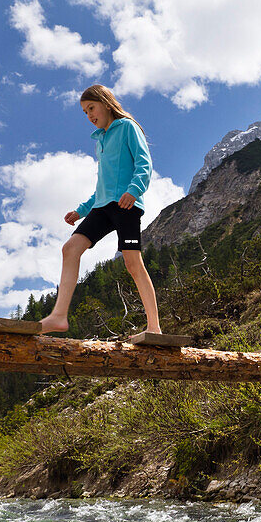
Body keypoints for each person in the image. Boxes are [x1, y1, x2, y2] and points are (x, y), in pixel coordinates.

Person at [39, 85, 160, 336]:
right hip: (102, 207)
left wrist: (134, 190)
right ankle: (59, 317)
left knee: (132, 262)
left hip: (126, 205)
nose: (89, 116)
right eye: (84, 112)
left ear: (105, 103)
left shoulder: (128, 127)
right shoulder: (100, 141)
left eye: (91, 108)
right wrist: (81, 210)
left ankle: (154, 328)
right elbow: (102, 186)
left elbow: (144, 164)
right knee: (70, 248)